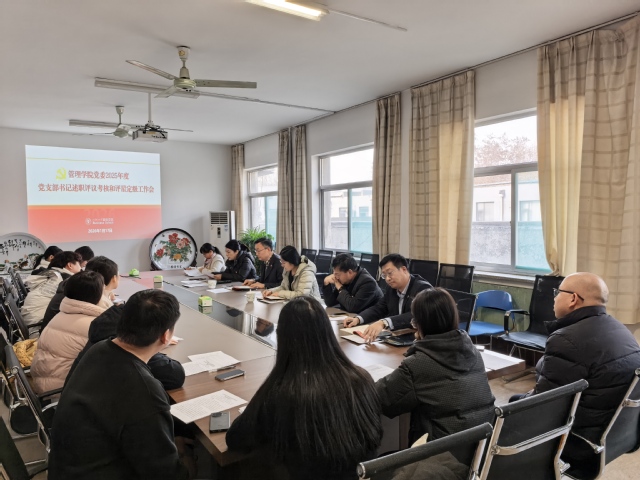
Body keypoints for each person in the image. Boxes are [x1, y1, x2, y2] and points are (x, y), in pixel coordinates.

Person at [226, 297, 382, 480]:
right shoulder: (362, 378)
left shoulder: (282, 392)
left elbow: (236, 439)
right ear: (327, 331)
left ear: (283, 337)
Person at [48, 290, 188, 480]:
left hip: (68, 467)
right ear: (165, 336)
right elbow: (166, 474)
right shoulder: (144, 390)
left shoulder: (99, 349)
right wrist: (185, 459)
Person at [519, 272, 640, 466]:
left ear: (573, 299)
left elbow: (544, 407)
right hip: (615, 436)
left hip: (579, 441)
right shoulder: (620, 329)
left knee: (508, 411)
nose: (554, 298)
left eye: (558, 292)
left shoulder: (566, 340)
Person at [375, 288, 495, 444]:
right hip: (482, 444)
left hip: (442, 452)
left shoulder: (418, 364)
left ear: (421, 324)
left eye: (415, 321)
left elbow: (381, 399)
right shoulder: (473, 351)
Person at [66, 303, 186, 391]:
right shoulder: (127, 351)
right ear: (165, 335)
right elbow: (175, 376)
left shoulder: (101, 340)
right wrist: (154, 346)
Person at [30, 271, 107, 393]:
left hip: (44, 384)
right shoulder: (93, 325)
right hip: (62, 392)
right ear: (98, 295)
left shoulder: (62, 314)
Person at [344, 254, 432, 342]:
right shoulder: (391, 289)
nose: (387, 279)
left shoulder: (422, 288)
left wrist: (384, 322)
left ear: (404, 269)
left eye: (390, 273)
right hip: (399, 336)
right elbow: (379, 308)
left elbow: (415, 315)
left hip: (420, 339)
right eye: (384, 275)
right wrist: (358, 319)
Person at [41, 255, 119, 332]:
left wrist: (107, 294)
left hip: (49, 332)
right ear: (114, 278)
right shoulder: (92, 297)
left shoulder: (75, 285)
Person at [21, 251, 82, 326]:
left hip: (29, 319)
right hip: (38, 325)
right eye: (79, 265)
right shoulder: (65, 280)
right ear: (70, 265)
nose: (81, 268)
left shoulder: (52, 273)